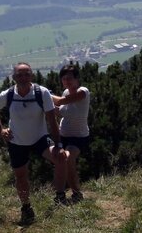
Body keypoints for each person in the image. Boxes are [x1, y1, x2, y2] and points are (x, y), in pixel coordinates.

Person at [0, 62, 68, 224]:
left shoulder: (41, 92)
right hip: (17, 142)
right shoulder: (9, 94)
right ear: (14, 77)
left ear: (32, 75)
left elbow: (52, 120)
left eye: (26, 74)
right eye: (19, 75)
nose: (23, 77)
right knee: (21, 176)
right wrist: (1, 130)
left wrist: (59, 146)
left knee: (61, 158)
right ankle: (26, 207)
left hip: (40, 139)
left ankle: (60, 196)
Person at [51, 63, 91, 204]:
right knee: (64, 162)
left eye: (69, 78)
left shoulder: (83, 92)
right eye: (64, 79)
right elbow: (61, 111)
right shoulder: (65, 93)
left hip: (79, 137)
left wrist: (45, 95)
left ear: (77, 79)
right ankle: (69, 193)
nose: (66, 81)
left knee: (67, 159)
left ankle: (74, 193)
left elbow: (61, 102)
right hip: (64, 135)